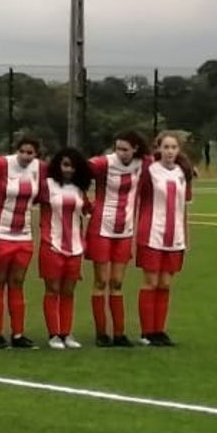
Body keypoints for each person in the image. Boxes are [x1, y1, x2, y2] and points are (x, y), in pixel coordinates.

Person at [0, 137, 45, 350]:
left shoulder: (40, 168)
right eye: (22, 151)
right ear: (17, 150)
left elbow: (40, 195)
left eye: (30, 152)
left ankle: (18, 334)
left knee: (17, 282)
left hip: (23, 234)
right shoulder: (1, 164)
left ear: (36, 154)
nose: (26, 156)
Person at [87, 130, 149, 347]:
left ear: (135, 149)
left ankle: (119, 333)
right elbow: (77, 170)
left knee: (117, 282)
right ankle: (101, 333)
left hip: (124, 231)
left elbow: (166, 159)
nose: (120, 153)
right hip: (101, 229)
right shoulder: (103, 163)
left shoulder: (143, 163)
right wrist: (85, 202)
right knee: (101, 281)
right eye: (118, 148)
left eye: (125, 149)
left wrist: (187, 169)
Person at [136, 131, 193, 346]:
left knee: (165, 284)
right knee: (151, 282)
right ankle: (146, 332)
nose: (169, 151)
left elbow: (184, 207)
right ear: (158, 148)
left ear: (179, 150)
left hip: (174, 236)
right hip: (152, 234)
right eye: (166, 147)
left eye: (173, 147)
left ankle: (159, 330)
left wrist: (185, 235)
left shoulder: (182, 173)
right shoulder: (149, 171)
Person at [37, 148, 92, 349]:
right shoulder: (47, 185)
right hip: (52, 244)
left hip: (75, 247)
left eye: (73, 166)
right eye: (65, 165)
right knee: (52, 290)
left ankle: (66, 333)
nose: (69, 169)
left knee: (68, 291)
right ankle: (54, 334)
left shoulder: (79, 189)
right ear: (58, 165)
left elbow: (88, 209)